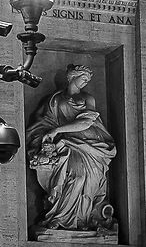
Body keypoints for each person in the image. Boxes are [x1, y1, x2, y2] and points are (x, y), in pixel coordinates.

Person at [27, 65, 116, 234]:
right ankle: (60, 217)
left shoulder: (88, 98)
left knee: (90, 183)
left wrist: (56, 131)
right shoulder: (55, 100)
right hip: (67, 144)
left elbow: (86, 122)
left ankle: (83, 219)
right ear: (72, 77)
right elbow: (44, 122)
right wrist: (49, 134)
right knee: (76, 176)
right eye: (83, 78)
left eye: (88, 80)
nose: (86, 82)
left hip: (90, 144)